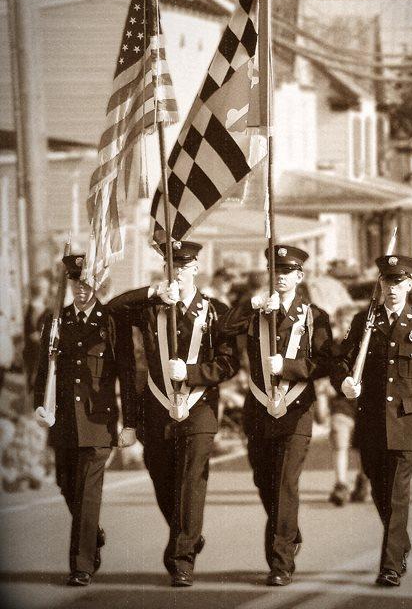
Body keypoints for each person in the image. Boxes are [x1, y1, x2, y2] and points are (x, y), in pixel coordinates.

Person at [110, 241, 239, 588]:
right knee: (161, 478)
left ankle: (181, 559)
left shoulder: (216, 311)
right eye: (172, 266)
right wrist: (152, 290)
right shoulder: (150, 309)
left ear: (196, 268)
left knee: (189, 480)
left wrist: (194, 374)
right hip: (157, 408)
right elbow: (112, 309)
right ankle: (189, 535)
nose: (178, 272)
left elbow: (229, 363)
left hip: (199, 409)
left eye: (185, 266)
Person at [219, 245, 333, 586]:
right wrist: (251, 305)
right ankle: (289, 530)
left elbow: (326, 362)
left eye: (287, 272)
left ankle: (280, 562)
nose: (280, 277)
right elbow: (224, 328)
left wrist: (291, 366)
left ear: (299, 277)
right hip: (259, 411)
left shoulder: (315, 316)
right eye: (275, 272)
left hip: (296, 413)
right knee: (264, 483)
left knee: (285, 485)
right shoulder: (257, 312)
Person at [333, 254, 412, 588]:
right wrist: (344, 382)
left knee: (397, 493)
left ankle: (390, 566)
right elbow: (341, 361)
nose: (393, 288)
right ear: (379, 284)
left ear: (410, 285)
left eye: (400, 282)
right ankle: (401, 544)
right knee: (380, 489)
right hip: (370, 420)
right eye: (387, 281)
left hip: (408, 420)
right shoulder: (364, 322)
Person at [34, 254, 137, 587]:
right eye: (77, 283)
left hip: (98, 422)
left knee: (88, 493)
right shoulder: (56, 321)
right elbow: (43, 369)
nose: (82, 289)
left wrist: (130, 424)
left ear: (99, 285)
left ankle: (81, 567)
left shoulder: (111, 323)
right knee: (67, 485)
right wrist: (40, 404)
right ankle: (90, 534)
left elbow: (128, 375)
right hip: (63, 420)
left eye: (88, 283)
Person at [328, 304, 369, 506]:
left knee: (365, 444)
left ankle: (363, 480)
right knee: (339, 438)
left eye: (349, 322)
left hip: (364, 402)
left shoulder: (367, 345)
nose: (345, 325)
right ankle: (341, 484)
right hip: (341, 402)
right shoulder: (333, 346)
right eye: (342, 321)